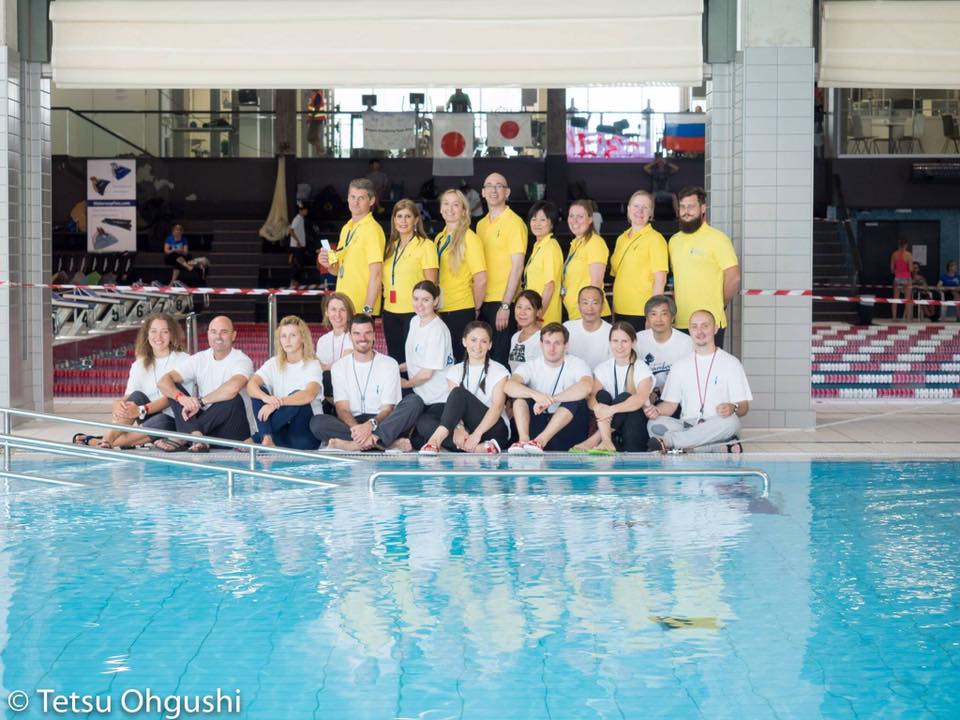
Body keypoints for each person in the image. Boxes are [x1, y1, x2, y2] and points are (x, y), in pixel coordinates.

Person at [73, 313, 189, 449]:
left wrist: (140, 410)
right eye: (153, 331)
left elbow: (173, 397)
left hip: (175, 420)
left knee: (161, 421)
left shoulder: (184, 360)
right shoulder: (139, 364)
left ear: (172, 335)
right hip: (146, 417)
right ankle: (109, 439)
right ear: (147, 335)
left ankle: (97, 441)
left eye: (164, 332)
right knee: (136, 396)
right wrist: (118, 404)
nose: (158, 337)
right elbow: (131, 396)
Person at [645, 310, 752, 454]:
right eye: (694, 327)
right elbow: (670, 405)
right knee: (654, 423)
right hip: (687, 425)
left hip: (716, 424)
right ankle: (715, 448)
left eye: (705, 326)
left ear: (715, 328)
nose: (699, 331)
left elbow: (744, 407)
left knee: (731, 422)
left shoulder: (731, 363)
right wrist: (657, 410)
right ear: (689, 330)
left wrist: (733, 407)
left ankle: (672, 443)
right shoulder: (680, 366)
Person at [308, 314, 420, 451]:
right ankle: (385, 443)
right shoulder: (339, 367)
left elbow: (388, 409)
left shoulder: (389, 364)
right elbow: (342, 409)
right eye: (357, 333)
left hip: (382, 422)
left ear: (374, 335)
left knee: (415, 401)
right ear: (350, 337)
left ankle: (357, 444)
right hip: (351, 424)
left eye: (367, 333)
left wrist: (370, 425)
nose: (362, 338)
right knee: (317, 422)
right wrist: (357, 429)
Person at [155, 315, 255, 452]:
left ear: (233, 335)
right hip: (207, 429)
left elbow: (234, 387)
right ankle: (196, 436)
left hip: (232, 431)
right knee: (175, 389)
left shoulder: (242, 360)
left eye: (224, 332)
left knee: (233, 398)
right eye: (213, 332)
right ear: (208, 334)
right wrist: (182, 399)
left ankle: (185, 436)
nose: (218, 336)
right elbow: (163, 382)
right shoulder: (200, 358)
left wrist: (200, 402)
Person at [418, 321, 510, 454]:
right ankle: (476, 448)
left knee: (458, 393)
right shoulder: (454, 371)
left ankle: (435, 442)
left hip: (492, 428)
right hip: (466, 428)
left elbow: (496, 408)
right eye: (473, 340)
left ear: (490, 345)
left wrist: (477, 434)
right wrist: (459, 428)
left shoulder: (500, 371)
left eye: (483, 341)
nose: (477, 346)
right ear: (464, 342)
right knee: (424, 421)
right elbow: (455, 407)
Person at [504, 323, 593, 453]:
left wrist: (552, 399)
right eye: (547, 342)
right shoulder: (531, 365)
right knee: (519, 395)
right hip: (538, 422)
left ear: (566, 346)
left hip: (568, 428)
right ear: (541, 345)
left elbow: (586, 387)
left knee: (576, 400)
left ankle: (540, 441)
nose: (552, 348)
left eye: (557, 343)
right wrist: (535, 395)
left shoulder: (577, 363)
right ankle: (523, 440)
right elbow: (509, 386)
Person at [669, 186, 740, 346]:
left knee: (708, 370)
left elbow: (734, 277)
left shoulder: (717, 238)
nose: (686, 211)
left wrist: (720, 303)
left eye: (691, 206)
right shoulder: (674, 241)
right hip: (682, 322)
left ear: (702, 208)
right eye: (682, 206)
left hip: (709, 323)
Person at [574, 321, 654, 452]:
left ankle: (596, 440)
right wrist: (599, 408)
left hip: (634, 426)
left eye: (624, 341)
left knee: (625, 397)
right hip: (607, 426)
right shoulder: (602, 368)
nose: (620, 346)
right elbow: (592, 398)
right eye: (615, 341)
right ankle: (606, 441)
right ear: (610, 342)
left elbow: (640, 399)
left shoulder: (641, 368)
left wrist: (611, 410)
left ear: (633, 343)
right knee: (602, 396)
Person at [247, 316, 323, 449]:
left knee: (297, 395)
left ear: (303, 338)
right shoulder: (273, 363)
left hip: (304, 436)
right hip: (280, 434)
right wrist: (266, 398)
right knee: (259, 392)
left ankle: (259, 437)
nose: (287, 340)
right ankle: (266, 438)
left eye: (292, 335)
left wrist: (277, 403)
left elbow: (309, 395)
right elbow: (251, 385)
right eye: (283, 336)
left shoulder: (312, 364)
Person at [477, 173, 527, 365]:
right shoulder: (481, 225)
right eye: (489, 185)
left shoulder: (514, 223)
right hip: (484, 301)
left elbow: (517, 266)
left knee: (500, 359)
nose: (493, 189)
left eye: (499, 186)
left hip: (503, 301)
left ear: (507, 192)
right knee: (484, 358)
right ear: (483, 192)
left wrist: (506, 305)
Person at [381, 199, 439, 362]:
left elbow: (431, 284)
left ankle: (413, 388)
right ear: (394, 220)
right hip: (390, 311)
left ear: (416, 220)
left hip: (415, 312)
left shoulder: (426, 245)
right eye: (399, 216)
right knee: (395, 358)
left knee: (414, 360)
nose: (403, 221)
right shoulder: (390, 246)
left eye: (408, 216)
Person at [317, 178, 385, 317]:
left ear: (371, 201)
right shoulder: (346, 228)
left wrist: (367, 311)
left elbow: (377, 274)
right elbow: (337, 271)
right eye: (352, 197)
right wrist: (327, 263)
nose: (355, 202)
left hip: (360, 310)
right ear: (347, 198)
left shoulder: (372, 230)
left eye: (361, 198)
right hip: (342, 307)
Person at [435, 189, 487, 361]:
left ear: (464, 210)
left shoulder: (469, 238)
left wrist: (475, 308)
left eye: (456, 205)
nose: (450, 209)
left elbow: (481, 279)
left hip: (460, 310)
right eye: (446, 204)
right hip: (441, 309)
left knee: (459, 361)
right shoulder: (439, 238)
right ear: (441, 209)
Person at [610, 191, 668, 331]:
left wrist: (652, 314)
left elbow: (660, 280)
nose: (639, 211)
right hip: (620, 308)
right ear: (629, 209)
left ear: (651, 213)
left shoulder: (655, 239)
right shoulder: (621, 239)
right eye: (636, 206)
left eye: (645, 207)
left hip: (641, 311)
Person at [400, 280, 454, 432]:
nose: (420, 305)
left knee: (424, 428)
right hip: (419, 394)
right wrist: (393, 368)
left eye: (426, 300)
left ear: (435, 301)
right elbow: (415, 360)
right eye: (416, 299)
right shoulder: (414, 321)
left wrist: (405, 384)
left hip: (437, 398)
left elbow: (427, 373)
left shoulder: (437, 330)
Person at [635, 295, 694, 405]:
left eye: (664, 314)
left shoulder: (686, 342)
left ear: (672, 318)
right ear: (647, 319)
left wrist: (656, 393)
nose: (658, 319)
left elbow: (686, 379)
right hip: (645, 396)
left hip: (675, 398)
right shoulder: (637, 340)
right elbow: (632, 375)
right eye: (653, 314)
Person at [561, 199, 610, 321]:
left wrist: (589, 313)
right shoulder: (576, 244)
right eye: (571, 216)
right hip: (576, 314)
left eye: (580, 216)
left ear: (590, 219)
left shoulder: (595, 242)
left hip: (590, 316)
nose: (574, 220)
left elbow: (596, 283)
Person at [522, 201, 563, 324]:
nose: (537, 224)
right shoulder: (538, 245)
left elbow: (550, 286)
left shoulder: (550, 247)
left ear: (552, 224)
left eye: (543, 220)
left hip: (545, 317)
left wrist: (538, 315)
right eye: (534, 219)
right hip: (533, 315)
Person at [315, 292, 355, 406]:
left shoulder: (356, 335)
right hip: (329, 394)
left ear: (349, 313)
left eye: (342, 310)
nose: (337, 314)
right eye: (333, 309)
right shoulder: (323, 340)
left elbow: (346, 365)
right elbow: (318, 368)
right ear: (327, 312)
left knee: (327, 376)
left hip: (351, 389)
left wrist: (327, 367)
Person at [564, 286, 612, 370]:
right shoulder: (567, 328)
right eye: (585, 303)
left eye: (595, 303)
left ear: (603, 306)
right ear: (578, 305)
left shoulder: (612, 333)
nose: (589, 308)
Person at [507, 290, 543, 371]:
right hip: (515, 382)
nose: (522, 312)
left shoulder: (542, 338)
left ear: (538, 312)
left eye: (528, 308)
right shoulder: (515, 337)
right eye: (519, 307)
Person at [890, 239, 913, 321]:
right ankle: (908, 318)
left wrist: (898, 270)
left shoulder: (894, 254)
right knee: (907, 299)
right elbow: (910, 269)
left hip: (897, 278)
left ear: (898, 244)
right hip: (906, 278)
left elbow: (892, 269)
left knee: (895, 299)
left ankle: (894, 317)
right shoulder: (909, 255)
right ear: (906, 245)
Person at [287, 203, 309, 288]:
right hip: (296, 246)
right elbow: (291, 231)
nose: (306, 212)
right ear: (301, 211)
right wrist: (298, 241)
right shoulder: (297, 219)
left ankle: (296, 282)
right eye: (305, 210)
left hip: (300, 246)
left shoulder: (301, 219)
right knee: (296, 264)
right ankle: (292, 282)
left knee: (299, 264)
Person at [306, 89, 327, 156]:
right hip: (315, 119)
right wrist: (309, 118)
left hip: (316, 119)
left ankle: (321, 151)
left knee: (312, 137)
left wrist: (311, 117)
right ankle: (321, 151)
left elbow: (317, 107)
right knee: (311, 138)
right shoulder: (315, 96)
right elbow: (313, 108)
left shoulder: (318, 95)